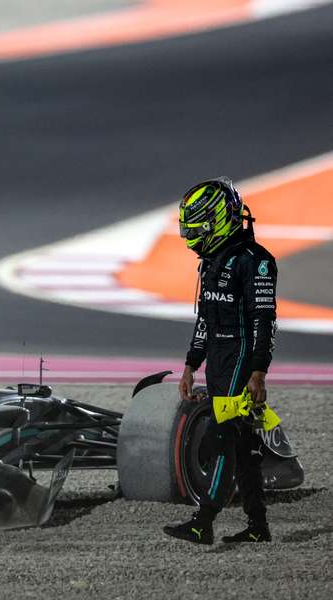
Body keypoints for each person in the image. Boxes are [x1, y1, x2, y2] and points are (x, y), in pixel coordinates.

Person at [163, 177, 277, 545]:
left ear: (218, 221)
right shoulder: (212, 262)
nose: (190, 238)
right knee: (244, 448)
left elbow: (264, 320)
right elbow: (204, 319)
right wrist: (190, 364)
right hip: (217, 362)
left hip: (240, 363)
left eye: (196, 229)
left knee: (221, 438)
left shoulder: (255, 262)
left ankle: (204, 521)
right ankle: (258, 527)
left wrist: (258, 371)